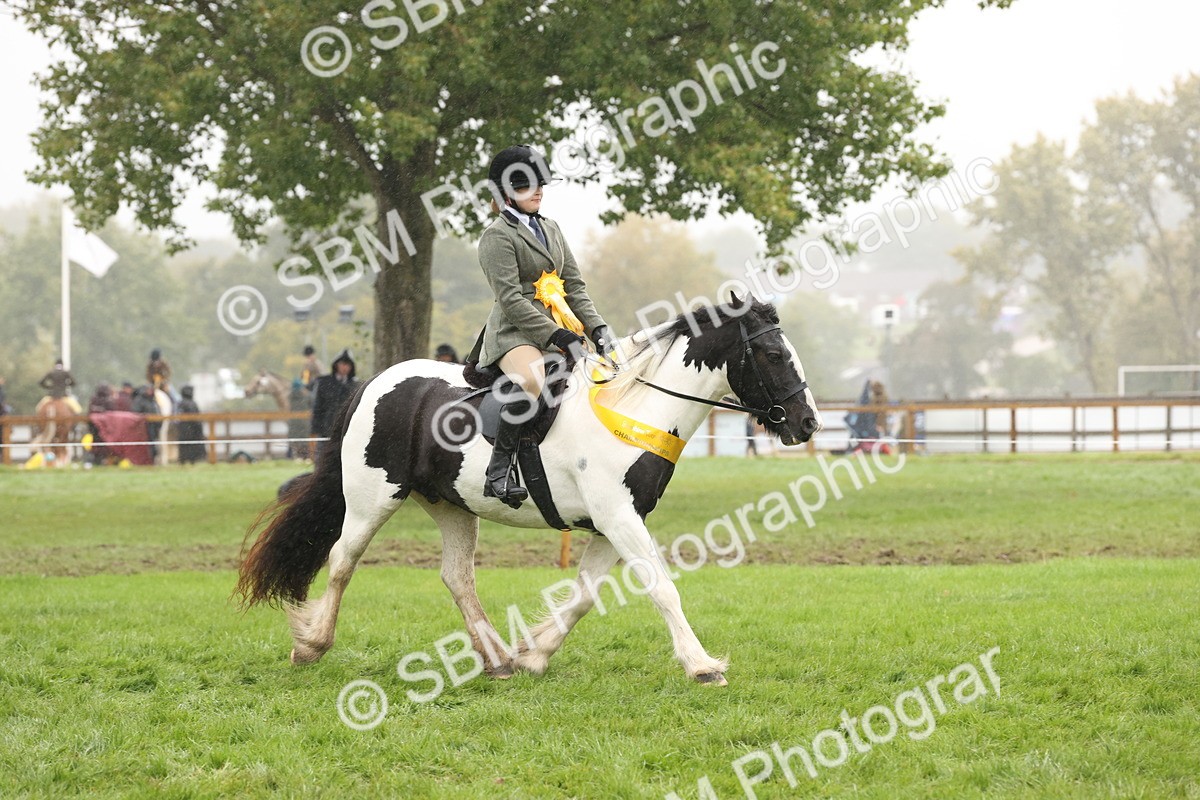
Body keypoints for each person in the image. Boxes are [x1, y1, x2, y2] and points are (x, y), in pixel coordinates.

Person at [473, 144, 615, 508]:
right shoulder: (496, 237)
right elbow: (511, 301)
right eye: (526, 186)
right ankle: (499, 470)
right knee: (533, 379)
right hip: (513, 334)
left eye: (540, 185)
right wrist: (557, 335)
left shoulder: (551, 228)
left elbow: (574, 287)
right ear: (505, 194)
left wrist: (597, 328)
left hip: (560, 330)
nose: (537, 191)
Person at [310, 350, 360, 463]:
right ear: (336, 365)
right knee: (323, 462)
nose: (344, 367)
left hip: (348, 432)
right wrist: (316, 429)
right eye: (342, 364)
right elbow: (317, 407)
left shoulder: (356, 385)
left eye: (347, 364)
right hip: (327, 430)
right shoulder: (324, 383)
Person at [175, 385, 207, 464]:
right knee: (191, 445)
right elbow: (196, 418)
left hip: (182, 429)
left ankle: (183, 461)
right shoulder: (191, 403)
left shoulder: (179, 403)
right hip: (192, 430)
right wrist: (199, 429)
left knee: (184, 446)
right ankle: (192, 460)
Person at [287, 378, 314, 460]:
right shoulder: (307, 395)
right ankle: (306, 456)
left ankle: (294, 456)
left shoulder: (290, 396)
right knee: (305, 439)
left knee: (295, 439)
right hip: (305, 422)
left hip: (293, 422)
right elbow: (312, 405)